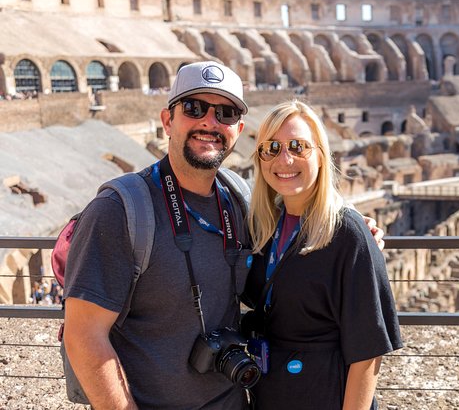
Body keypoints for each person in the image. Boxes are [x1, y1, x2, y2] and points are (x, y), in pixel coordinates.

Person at [63, 61, 385, 409]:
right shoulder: (119, 210)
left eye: (226, 113)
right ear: (168, 120)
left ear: (238, 129)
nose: (209, 122)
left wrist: (354, 230)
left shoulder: (239, 200)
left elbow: (300, 213)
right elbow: (83, 335)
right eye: (194, 107)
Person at [241, 100, 403, 410]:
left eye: (298, 146)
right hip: (270, 395)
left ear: (321, 154)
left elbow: (367, 353)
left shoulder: (348, 232)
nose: (284, 159)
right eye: (271, 147)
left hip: (325, 395)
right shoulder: (263, 226)